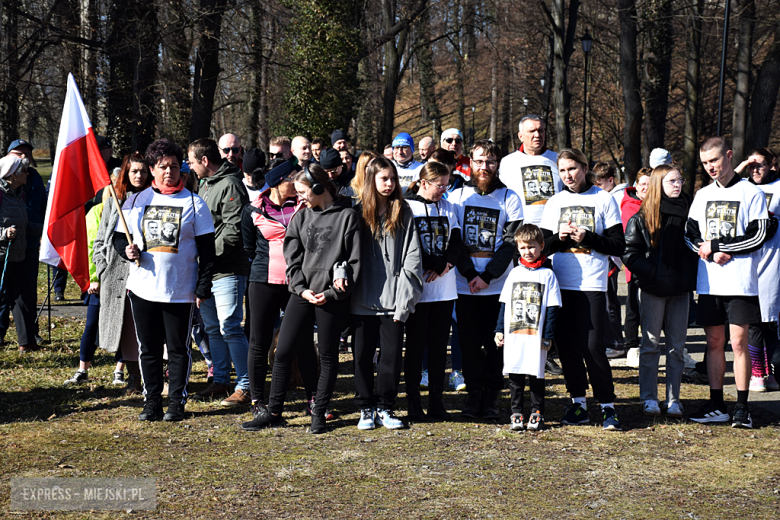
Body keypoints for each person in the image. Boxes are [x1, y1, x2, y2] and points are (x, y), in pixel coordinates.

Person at [243, 163, 361, 434]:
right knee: (283, 352)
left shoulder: (347, 216)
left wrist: (332, 293)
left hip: (331, 297)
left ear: (319, 188)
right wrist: (301, 288)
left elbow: (354, 262)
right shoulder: (301, 217)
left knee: (328, 356)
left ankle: (318, 411)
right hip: (302, 293)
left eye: (303, 192)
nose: (300, 198)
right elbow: (292, 261)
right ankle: (273, 411)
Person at [114, 139, 216, 422]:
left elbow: (208, 251)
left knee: (178, 349)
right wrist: (126, 249)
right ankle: (151, 402)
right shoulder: (136, 201)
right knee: (148, 348)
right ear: (151, 169)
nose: (169, 172)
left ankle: (176, 403)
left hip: (180, 291)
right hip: (143, 288)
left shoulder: (194, 203)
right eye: (162, 167)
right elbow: (119, 237)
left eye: (174, 166)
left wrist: (203, 285)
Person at [684, 137, 769, 428]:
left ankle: (742, 408)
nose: (711, 167)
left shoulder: (750, 193)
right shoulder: (702, 195)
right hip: (709, 284)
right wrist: (704, 248)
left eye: (715, 161)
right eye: (706, 163)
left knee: (739, 343)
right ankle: (717, 404)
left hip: (741, 283)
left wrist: (719, 246)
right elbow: (689, 235)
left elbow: (758, 237)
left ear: (729, 156)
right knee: (714, 342)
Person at [540, 148, 625, 431]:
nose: (568, 175)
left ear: (584, 167)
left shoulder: (603, 198)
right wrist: (559, 238)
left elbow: (617, 245)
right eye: (562, 171)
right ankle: (578, 402)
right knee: (567, 348)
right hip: (560, 284)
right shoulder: (555, 202)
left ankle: (608, 406)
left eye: (572, 169)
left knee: (592, 347)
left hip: (592, 284)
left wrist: (588, 237)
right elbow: (544, 247)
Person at [449, 139, 524, 419]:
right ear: (470, 162)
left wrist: (487, 276)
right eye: (479, 161)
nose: (484, 167)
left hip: (498, 287)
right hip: (464, 285)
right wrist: (471, 275)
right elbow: (455, 241)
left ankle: (491, 396)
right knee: (468, 344)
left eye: (490, 162)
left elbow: (510, 243)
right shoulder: (457, 197)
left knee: (495, 345)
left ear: (498, 164)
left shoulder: (510, 197)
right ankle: (473, 395)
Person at [352, 156, 423, 430]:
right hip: (361, 300)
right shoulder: (355, 212)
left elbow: (412, 258)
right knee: (361, 356)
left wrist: (403, 301)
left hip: (394, 301)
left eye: (393, 179)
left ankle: (385, 407)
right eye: (384, 178)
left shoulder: (403, 212)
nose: (390, 184)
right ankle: (365, 408)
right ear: (371, 180)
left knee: (391, 357)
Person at [240, 160, 313, 428]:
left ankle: (313, 399)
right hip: (263, 281)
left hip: (298, 283)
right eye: (295, 178)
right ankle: (258, 401)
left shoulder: (304, 205)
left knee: (303, 340)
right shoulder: (253, 209)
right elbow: (249, 247)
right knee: (259, 343)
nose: (300, 183)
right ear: (281, 181)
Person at [622, 164, 697, 418]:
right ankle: (649, 398)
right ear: (658, 185)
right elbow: (630, 254)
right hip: (653, 289)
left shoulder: (690, 212)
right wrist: (653, 272)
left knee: (677, 347)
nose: (678, 185)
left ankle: (674, 399)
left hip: (681, 290)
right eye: (672, 181)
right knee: (650, 344)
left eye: (680, 180)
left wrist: (688, 277)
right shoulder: (643, 216)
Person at [187, 138, 251, 407]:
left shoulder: (230, 184)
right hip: (208, 271)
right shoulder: (204, 185)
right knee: (213, 328)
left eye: (191, 161)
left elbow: (233, 230)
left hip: (227, 270)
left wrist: (207, 256)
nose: (189, 167)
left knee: (230, 328)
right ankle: (221, 380)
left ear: (204, 161)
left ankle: (247, 385)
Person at [403, 161, 468, 420]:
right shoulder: (408, 206)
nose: (444, 189)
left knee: (440, 349)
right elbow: (410, 245)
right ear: (424, 183)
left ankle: (436, 402)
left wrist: (445, 265)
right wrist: (434, 263)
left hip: (444, 290)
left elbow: (456, 241)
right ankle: (413, 403)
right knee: (416, 348)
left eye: (446, 184)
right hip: (418, 290)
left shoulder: (449, 206)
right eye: (439, 185)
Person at [88, 153, 152, 394]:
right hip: (118, 274)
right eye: (134, 171)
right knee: (127, 329)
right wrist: (101, 266)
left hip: (147, 270)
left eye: (143, 171)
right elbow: (101, 237)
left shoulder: (155, 198)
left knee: (148, 326)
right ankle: (134, 377)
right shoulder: (115, 200)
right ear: (126, 172)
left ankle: (157, 376)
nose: (139, 175)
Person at [494, 224, 561, 430]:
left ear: (541, 246)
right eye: (523, 248)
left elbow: (552, 308)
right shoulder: (514, 273)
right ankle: (516, 412)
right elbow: (505, 304)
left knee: (536, 375)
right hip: (515, 335)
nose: (528, 252)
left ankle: (537, 412)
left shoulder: (547, 275)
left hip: (536, 336)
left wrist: (548, 336)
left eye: (532, 247)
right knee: (515, 375)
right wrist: (499, 330)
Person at [742, 148, 780, 392]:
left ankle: (771, 374)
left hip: (773, 262)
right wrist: (743, 164)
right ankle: (758, 374)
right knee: (753, 320)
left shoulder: (778, 188)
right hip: (748, 262)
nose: (755, 170)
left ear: (771, 166)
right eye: (751, 165)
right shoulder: (743, 188)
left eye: (760, 165)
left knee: (770, 322)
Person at [6, 139, 45, 352]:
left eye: (26, 154)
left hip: (24, 249)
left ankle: (27, 340)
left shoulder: (28, 184)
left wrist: (46, 231)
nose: (23, 159)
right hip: (4, 252)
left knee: (24, 294)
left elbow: (35, 212)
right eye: (17, 154)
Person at [614, 167, 651, 364]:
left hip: (657, 267)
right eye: (642, 184)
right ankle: (631, 347)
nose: (645, 188)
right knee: (633, 307)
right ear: (636, 186)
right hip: (636, 266)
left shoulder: (660, 204)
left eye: (649, 184)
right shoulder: (629, 206)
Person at [591, 162, 627, 361]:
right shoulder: (605, 196)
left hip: (611, 257)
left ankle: (615, 342)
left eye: (600, 183)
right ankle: (611, 340)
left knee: (609, 301)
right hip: (605, 255)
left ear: (611, 180)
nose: (597, 187)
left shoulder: (617, 198)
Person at [498, 115, 562, 225]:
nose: (537, 135)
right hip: (521, 230)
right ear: (520, 136)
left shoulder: (558, 159)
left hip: (554, 228)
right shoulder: (507, 162)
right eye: (532, 131)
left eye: (541, 130)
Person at [0, 156, 31, 352]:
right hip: (1, 256)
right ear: (13, 174)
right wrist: (3, 233)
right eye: (24, 171)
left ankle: (25, 343)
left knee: (19, 298)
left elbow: (24, 225)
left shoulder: (18, 193)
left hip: (18, 256)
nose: (28, 174)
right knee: (1, 299)